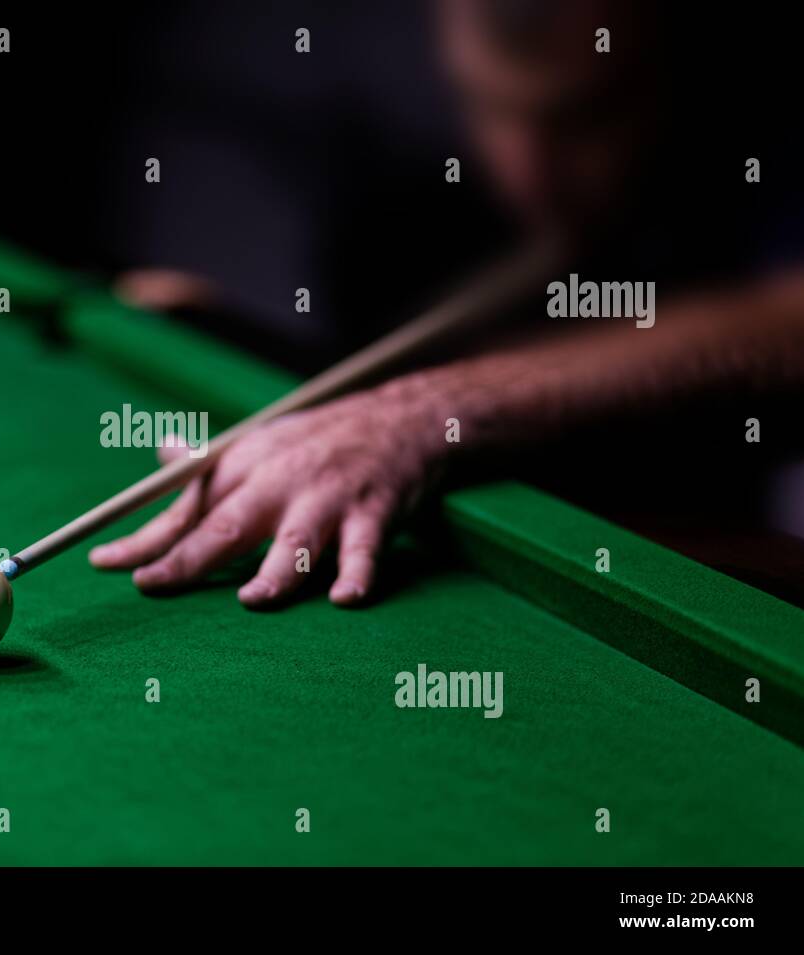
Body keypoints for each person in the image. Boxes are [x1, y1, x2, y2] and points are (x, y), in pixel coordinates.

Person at [91, 0, 804, 606]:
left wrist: (432, 412)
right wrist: (242, 337)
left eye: (584, 118)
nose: (530, 175)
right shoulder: (394, 142)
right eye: (491, 108)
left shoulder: (769, 86)